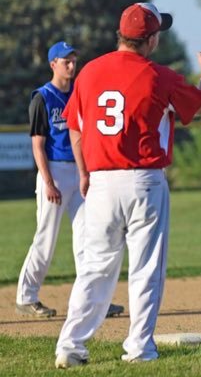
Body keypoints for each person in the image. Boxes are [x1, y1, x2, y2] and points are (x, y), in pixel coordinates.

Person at [55, 2, 201, 368]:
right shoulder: (159, 75)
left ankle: (70, 346)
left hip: (99, 182)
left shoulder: (90, 73)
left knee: (94, 268)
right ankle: (139, 348)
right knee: (145, 270)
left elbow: (76, 127)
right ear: (152, 38)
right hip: (143, 181)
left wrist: (83, 173)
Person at [16, 41, 124, 319]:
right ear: (53, 64)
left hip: (79, 171)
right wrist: (48, 182)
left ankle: (92, 299)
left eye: (74, 60)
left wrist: (87, 172)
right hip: (53, 170)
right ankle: (26, 296)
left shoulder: (79, 92)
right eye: (66, 61)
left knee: (89, 237)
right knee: (46, 237)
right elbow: (38, 145)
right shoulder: (43, 97)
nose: (72, 65)